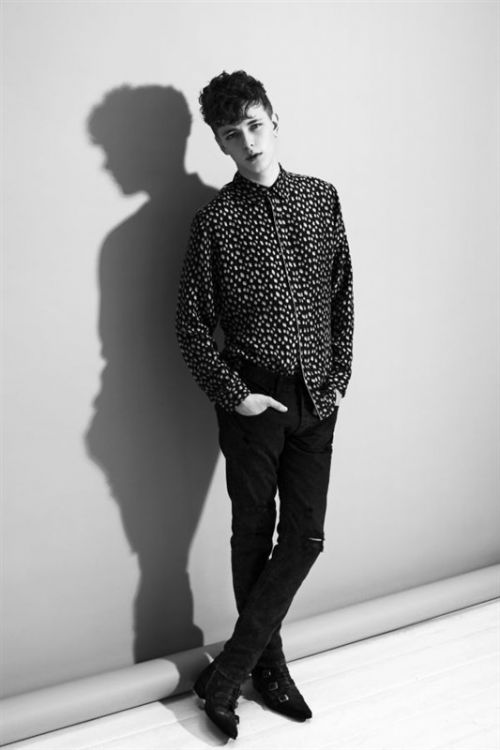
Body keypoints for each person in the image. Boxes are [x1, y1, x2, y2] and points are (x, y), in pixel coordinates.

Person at [176, 70, 354, 739]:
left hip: (316, 396)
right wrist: (235, 395)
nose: (248, 142)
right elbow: (190, 325)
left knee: (305, 538)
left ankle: (229, 673)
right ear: (220, 145)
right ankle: (268, 670)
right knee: (253, 534)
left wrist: (338, 379)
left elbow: (341, 294)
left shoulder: (320, 198)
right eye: (232, 134)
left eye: (254, 125)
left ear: (273, 120)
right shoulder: (214, 222)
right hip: (253, 398)